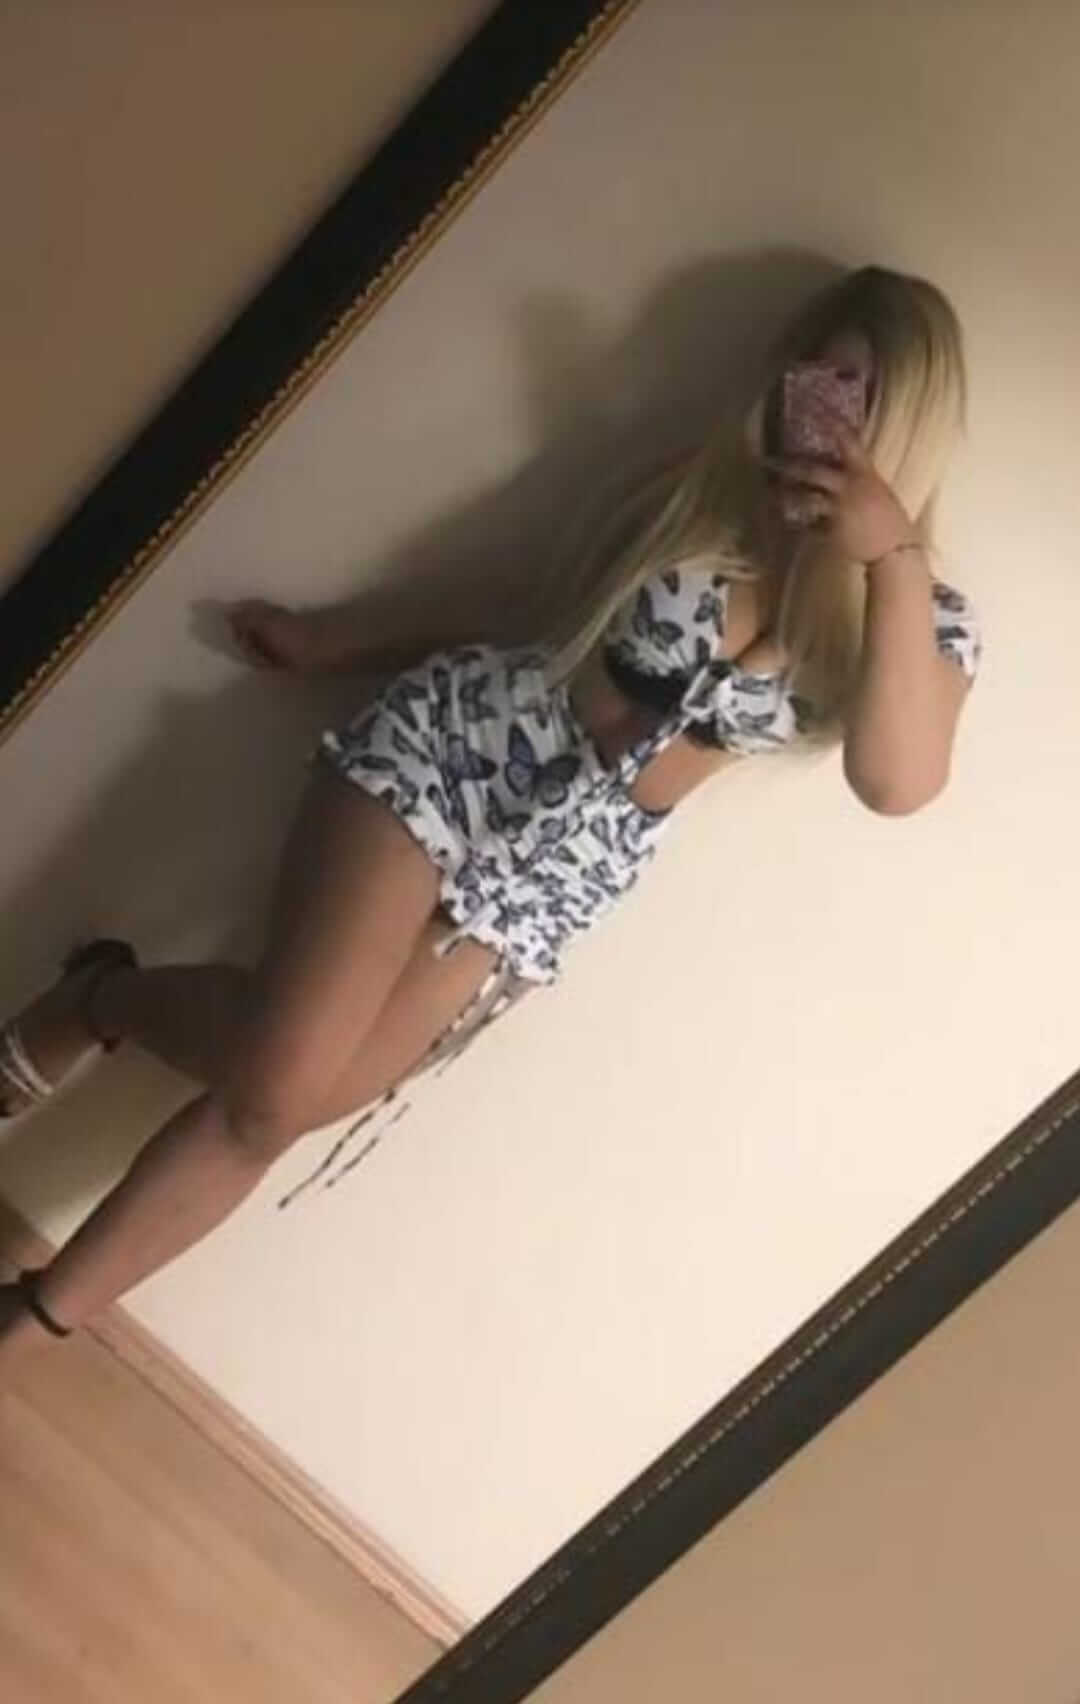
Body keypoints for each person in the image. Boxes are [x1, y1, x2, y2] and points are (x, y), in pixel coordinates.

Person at [0, 265, 980, 1366]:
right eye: (818, 373)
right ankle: (97, 1001)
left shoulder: (930, 622)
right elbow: (529, 605)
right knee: (277, 1072)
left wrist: (889, 558)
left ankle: (32, 1317)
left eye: (860, 391)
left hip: (548, 882)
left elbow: (897, 782)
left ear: (912, 419)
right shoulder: (699, 492)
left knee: (279, 1112)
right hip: (457, 754)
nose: (826, 409)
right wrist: (334, 640)